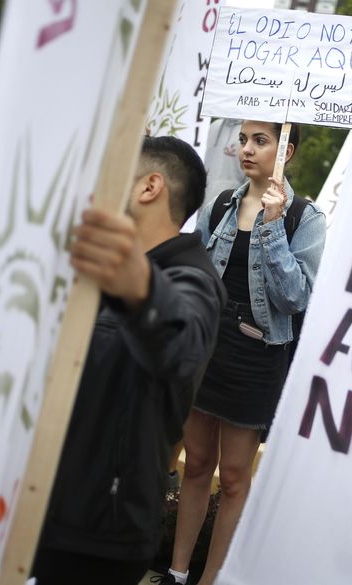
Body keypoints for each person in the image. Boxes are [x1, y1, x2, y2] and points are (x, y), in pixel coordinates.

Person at [33, 136, 226, 585]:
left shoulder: (191, 278)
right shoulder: (100, 267)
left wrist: (141, 287)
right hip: (47, 503)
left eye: (110, 172)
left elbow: (183, 345)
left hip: (96, 531)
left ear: (149, 187)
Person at [163, 120, 327, 585]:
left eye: (261, 141)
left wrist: (273, 227)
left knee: (233, 477)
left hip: (256, 358)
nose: (247, 149)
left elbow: (296, 299)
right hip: (208, 348)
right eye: (244, 140)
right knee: (195, 464)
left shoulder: (304, 217)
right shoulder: (219, 203)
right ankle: (175, 572)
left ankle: (210, 578)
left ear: (286, 151)